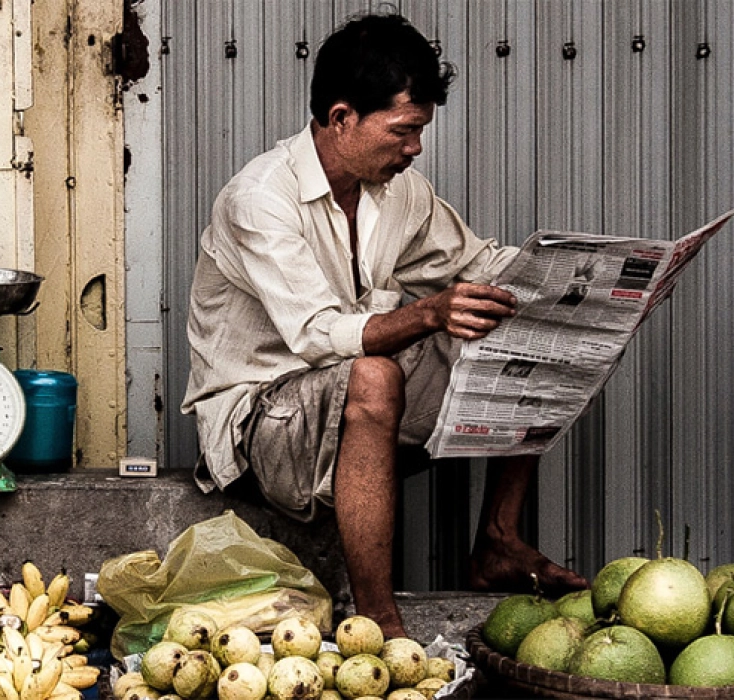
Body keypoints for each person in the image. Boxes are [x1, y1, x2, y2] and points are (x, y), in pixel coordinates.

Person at [181, 13, 587, 638]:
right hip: (261, 425)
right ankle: (379, 620)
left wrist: (584, 279)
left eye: (420, 131)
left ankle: (499, 542)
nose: (415, 148)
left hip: (352, 404)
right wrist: (428, 311)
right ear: (342, 118)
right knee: (373, 375)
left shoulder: (400, 191)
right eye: (403, 130)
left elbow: (480, 265)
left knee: (511, 322)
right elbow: (319, 336)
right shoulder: (259, 198)